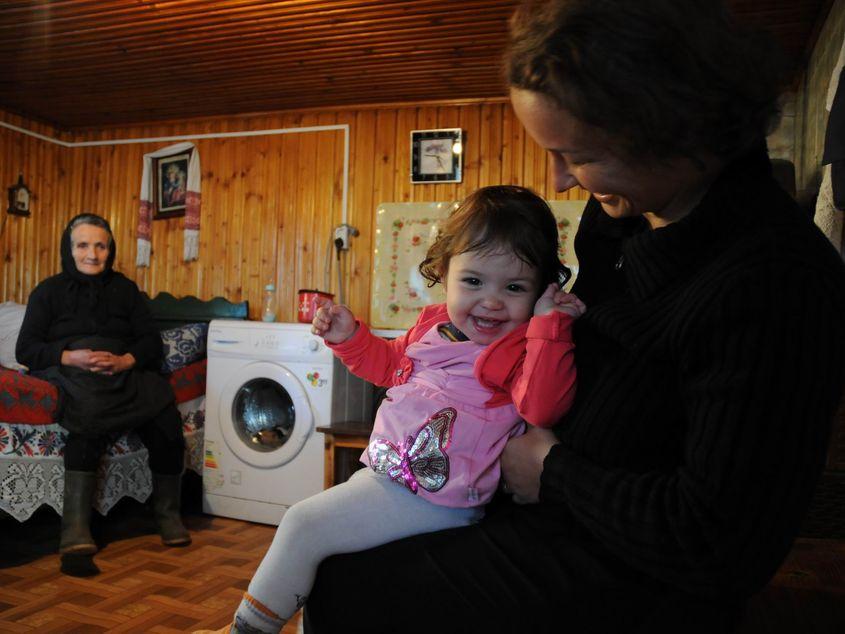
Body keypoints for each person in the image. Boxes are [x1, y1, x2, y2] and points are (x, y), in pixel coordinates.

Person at [302, 1, 845, 632]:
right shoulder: (623, 219)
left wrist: (554, 472)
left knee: (350, 588)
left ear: (676, 130)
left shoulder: (780, 282)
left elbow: (720, 544)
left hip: (625, 569)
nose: (561, 181)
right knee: (330, 557)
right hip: (537, 510)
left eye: (579, 155)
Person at [212, 185, 586, 633]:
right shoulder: (432, 327)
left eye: (514, 287)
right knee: (332, 564)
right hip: (389, 477)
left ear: (541, 290)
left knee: (302, 524)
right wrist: (349, 338)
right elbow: (388, 366)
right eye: (473, 281)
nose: (491, 301)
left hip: (438, 498)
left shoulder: (522, 348)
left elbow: (542, 407)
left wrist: (549, 325)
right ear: (444, 273)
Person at [16, 213, 191, 563]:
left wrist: (125, 361)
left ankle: (167, 515)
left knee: (165, 416)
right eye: (83, 245)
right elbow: (26, 349)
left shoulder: (125, 290)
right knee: (87, 412)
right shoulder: (47, 292)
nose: (92, 254)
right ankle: (75, 528)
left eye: (100, 246)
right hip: (73, 370)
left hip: (122, 369)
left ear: (110, 250)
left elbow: (150, 342)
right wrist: (70, 357)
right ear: (69, 249)